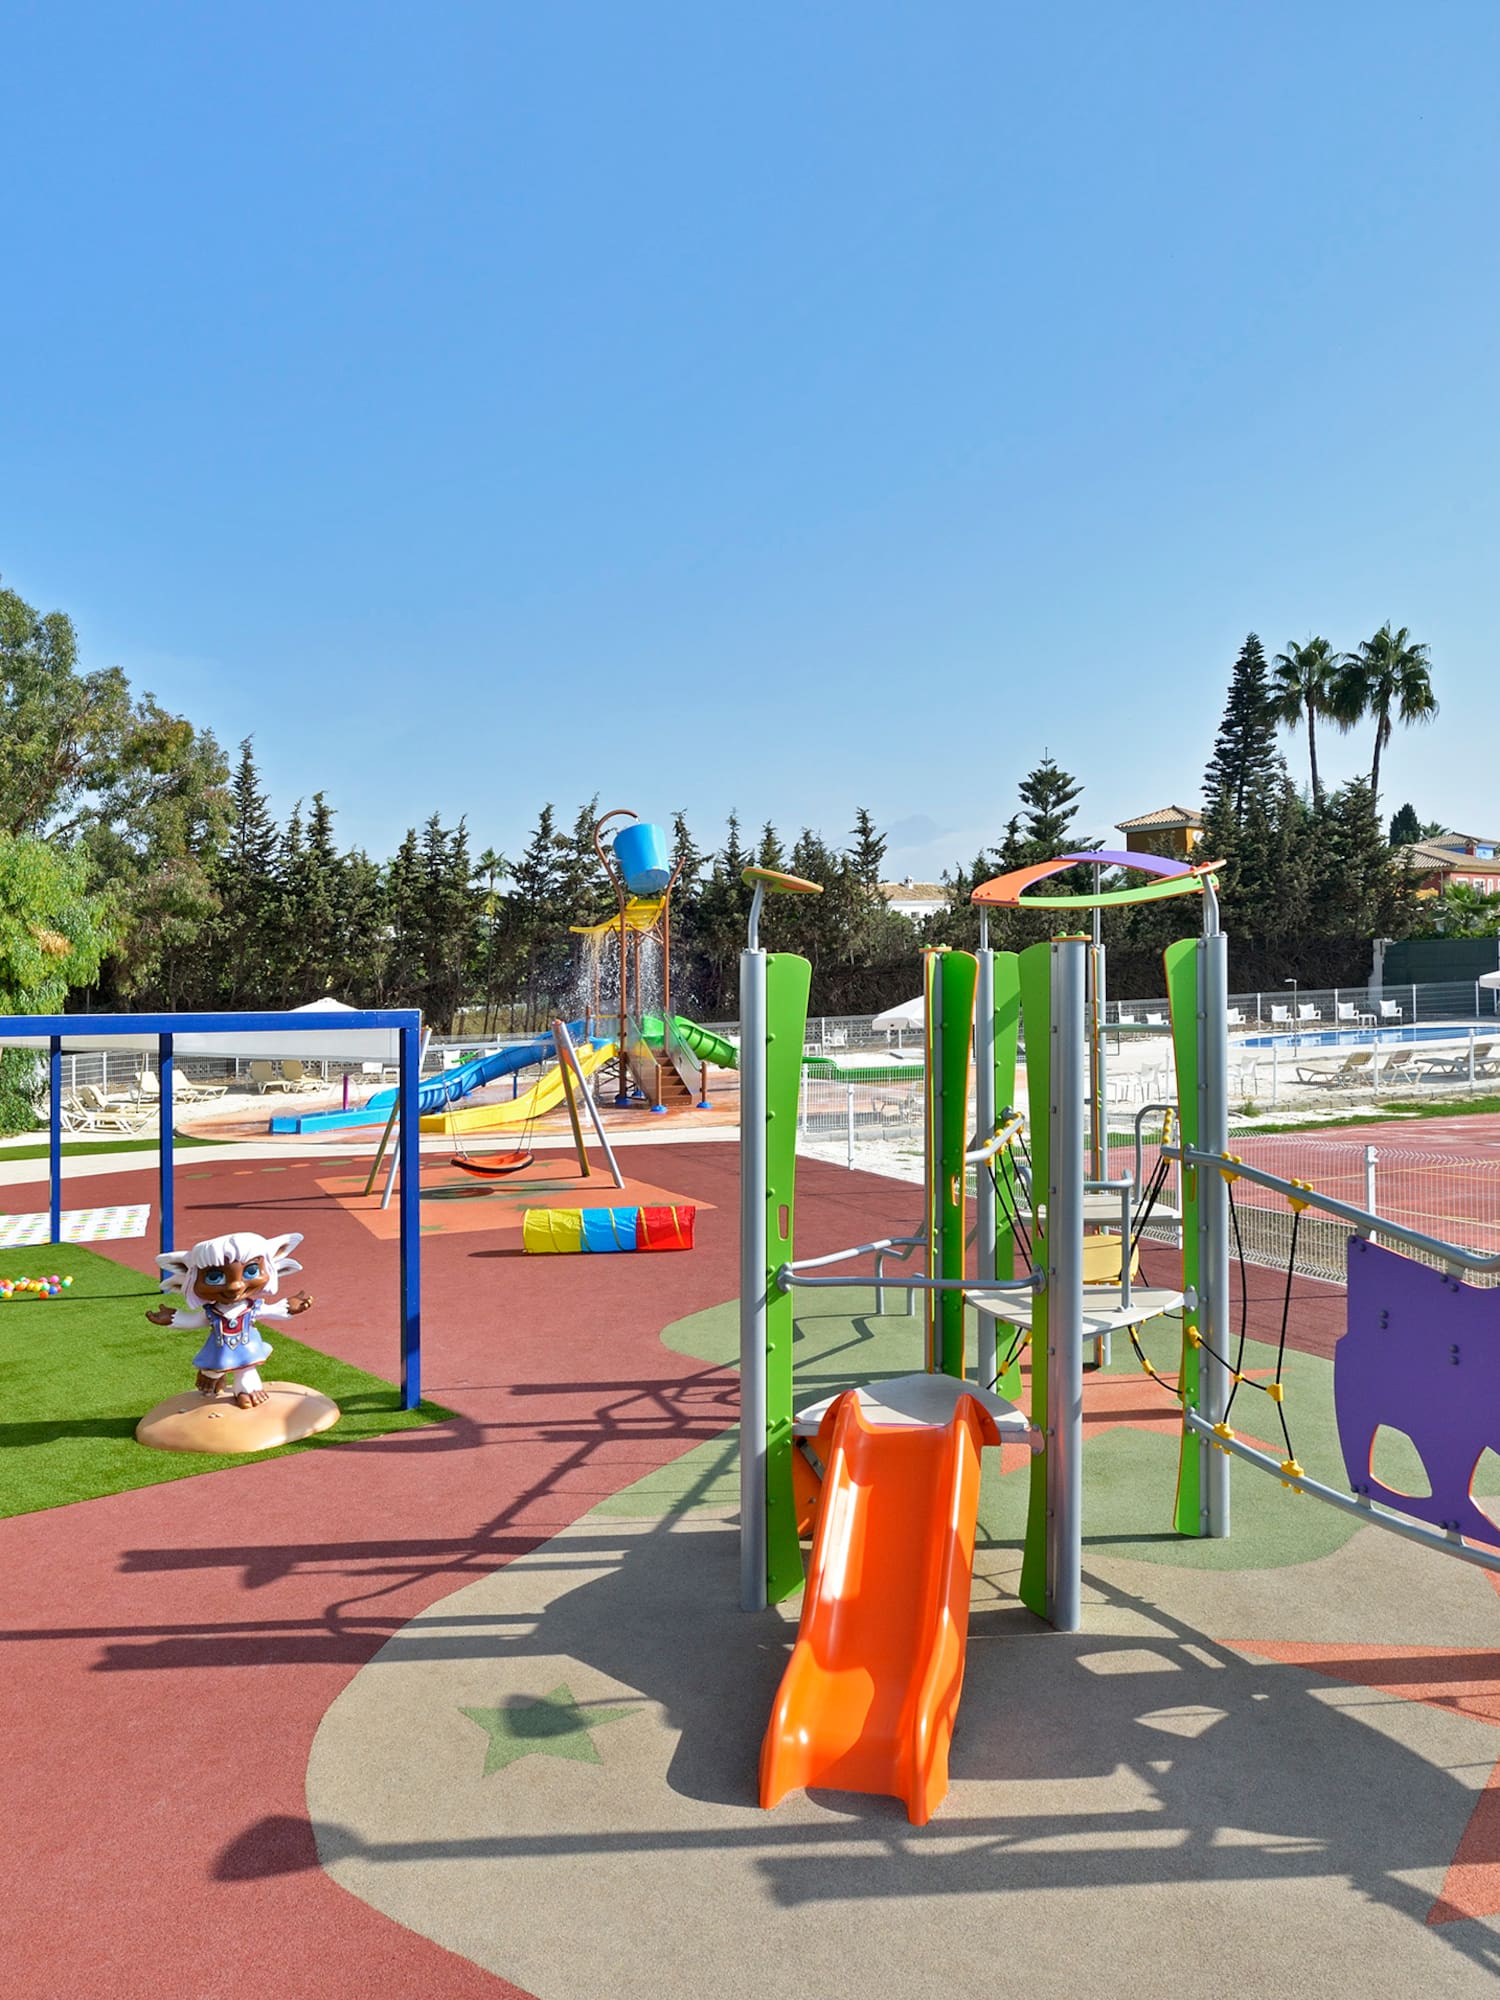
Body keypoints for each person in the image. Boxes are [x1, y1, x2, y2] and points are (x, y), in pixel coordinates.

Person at [146, 1230, 313, 1409]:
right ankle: (212, 1377)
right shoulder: (212, 1312)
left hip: (248, 1348)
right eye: (214, 1277)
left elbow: (272, 1310)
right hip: (219, 1350)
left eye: (250, 1271)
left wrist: (289, 1306)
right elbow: (194, 1320)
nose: (235, 1286)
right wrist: (172, 1317)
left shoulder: (252, 1308)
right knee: (212, 1370)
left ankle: (247, 1390)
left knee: (246, 1369)